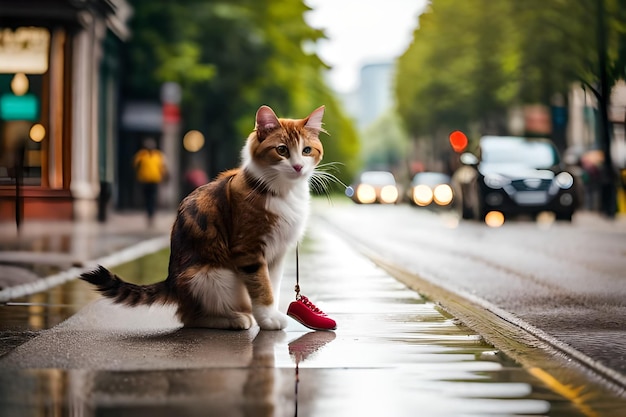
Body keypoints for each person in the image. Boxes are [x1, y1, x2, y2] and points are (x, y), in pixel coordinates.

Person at [133, 138, 167, 225]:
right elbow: (136, 165)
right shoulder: (141, 155)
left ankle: (151, 213)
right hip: (145, 180)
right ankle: (149, 212)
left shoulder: (158, 155)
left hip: (154, 180)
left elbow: (162, 167)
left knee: (152, 197)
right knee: (147, 197)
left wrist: (164, 176)